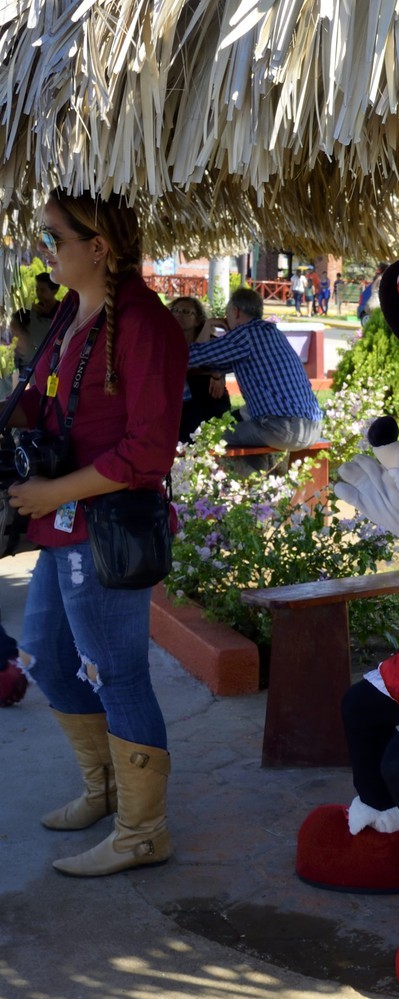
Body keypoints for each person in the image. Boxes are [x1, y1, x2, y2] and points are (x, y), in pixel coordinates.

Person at [7, 189, 187, 877]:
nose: (43, 250)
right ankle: (106, 789)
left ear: (99, 248)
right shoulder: (71, 317)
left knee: (118, 675)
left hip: (105, 530)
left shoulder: (143, 325)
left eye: (53, 237)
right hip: (63, 527)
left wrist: (51, 490)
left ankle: (143, 833)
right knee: (46, 660)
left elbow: (148, 453)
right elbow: (40, 402)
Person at [187, 287, 322, 453]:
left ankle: (234, 478)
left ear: (235, 312)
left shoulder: (245, 335)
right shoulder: (271, 332)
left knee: (209, 434)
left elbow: (192, 356)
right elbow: (216, 364)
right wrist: (216, 372)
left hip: (284, 428)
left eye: (227, 313)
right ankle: (264, 475)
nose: (225, 318)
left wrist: (208, 324)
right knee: (241, 421)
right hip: (312, 427)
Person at [169, 295, 232, 441]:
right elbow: (187, 362)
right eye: (175, 310)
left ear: (198, 320)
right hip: (181, 402)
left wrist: (218, 375)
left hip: (208, 399)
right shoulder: (167, 342)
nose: (178, 314)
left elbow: (206, 356)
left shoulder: (212, 342)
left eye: (186, 311)